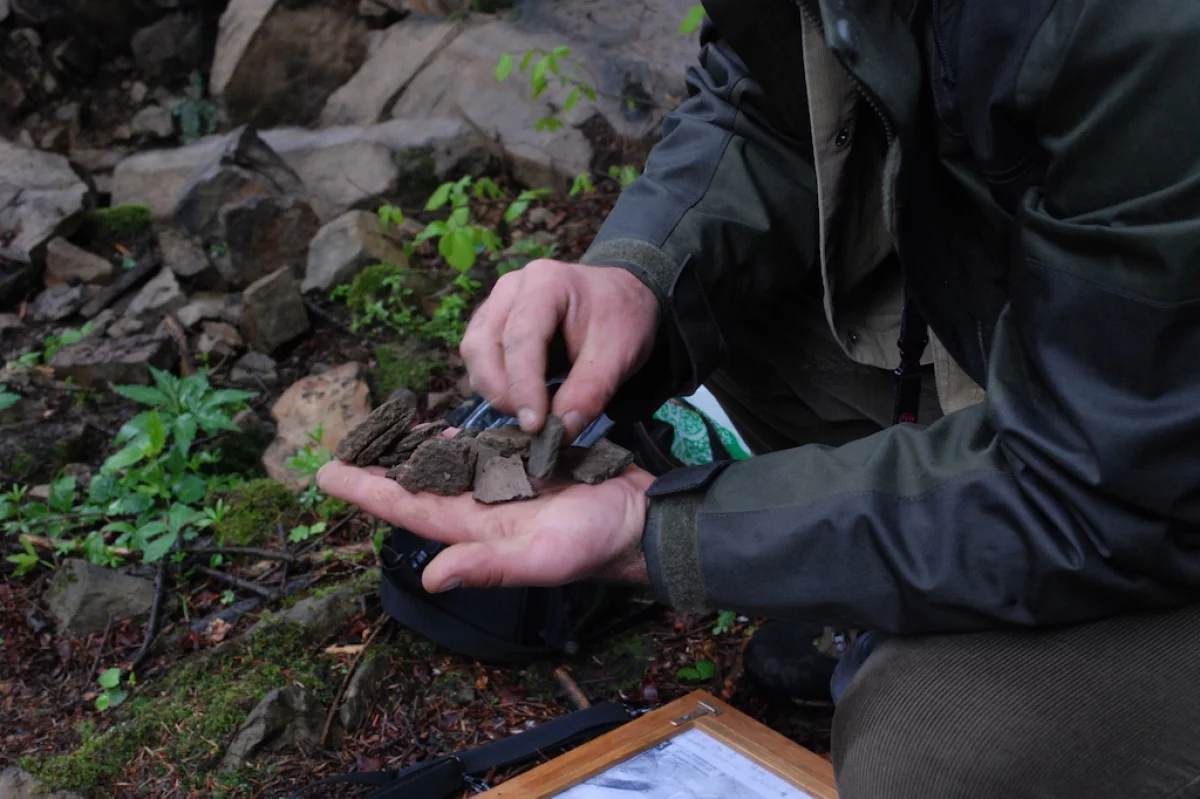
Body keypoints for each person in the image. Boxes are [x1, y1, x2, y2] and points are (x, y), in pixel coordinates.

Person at [318, 1, 1200, 795]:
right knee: (709, 320)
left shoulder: (1142, 31)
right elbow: (774, 103)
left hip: (1140, 475)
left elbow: (1100, 485)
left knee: (932, 750)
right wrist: (640, 274)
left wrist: (660, 532)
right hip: (1096, 372)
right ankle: (900, 586)